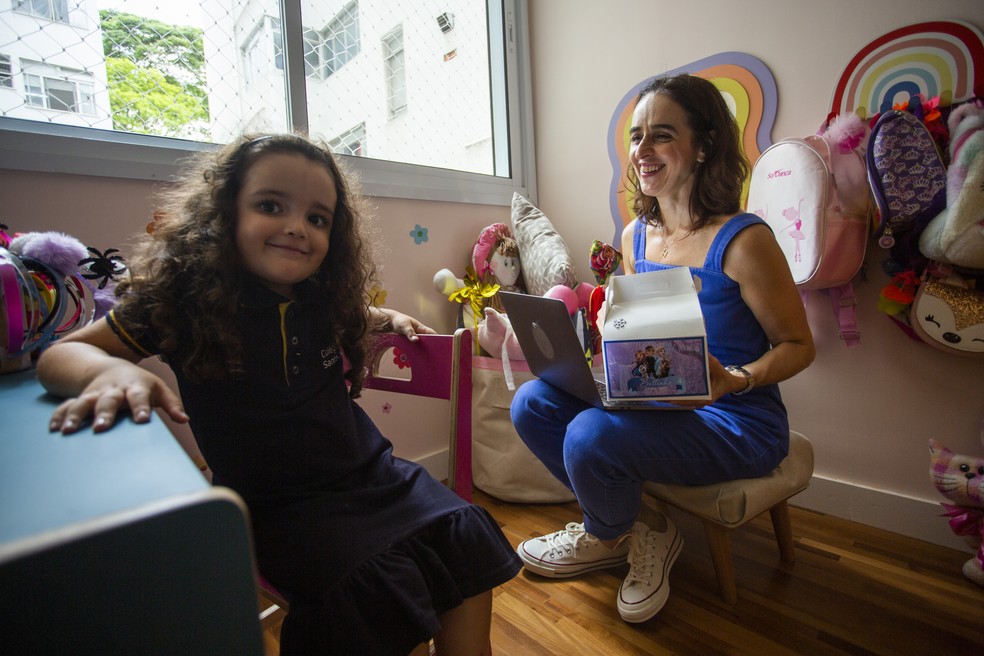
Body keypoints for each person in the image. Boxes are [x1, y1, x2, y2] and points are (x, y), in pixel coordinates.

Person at [37, 133, 521, 655]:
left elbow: (355, 315)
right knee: (368, 590)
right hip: (275, 505)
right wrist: (109, 374)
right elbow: (59, 355)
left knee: (463, 537)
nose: (297, 227)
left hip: (370, 473)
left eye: (318, 218)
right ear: (224, 213)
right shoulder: (185, 302)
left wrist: (388, 317)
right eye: (271, 206)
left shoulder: (321, 295)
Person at [510, 74, 815, 624]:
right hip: (659, 403)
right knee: (531, 403)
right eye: (635, 136)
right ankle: (641, 526)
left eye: (662, 135)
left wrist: (735, 378)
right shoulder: (635, 238)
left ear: (704, 146)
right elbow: (650, 345)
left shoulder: (746, 241)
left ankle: (611, 535)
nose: (641, 152)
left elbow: (799, 346)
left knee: (587, 436)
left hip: (737, 418)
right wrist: (612, 324)